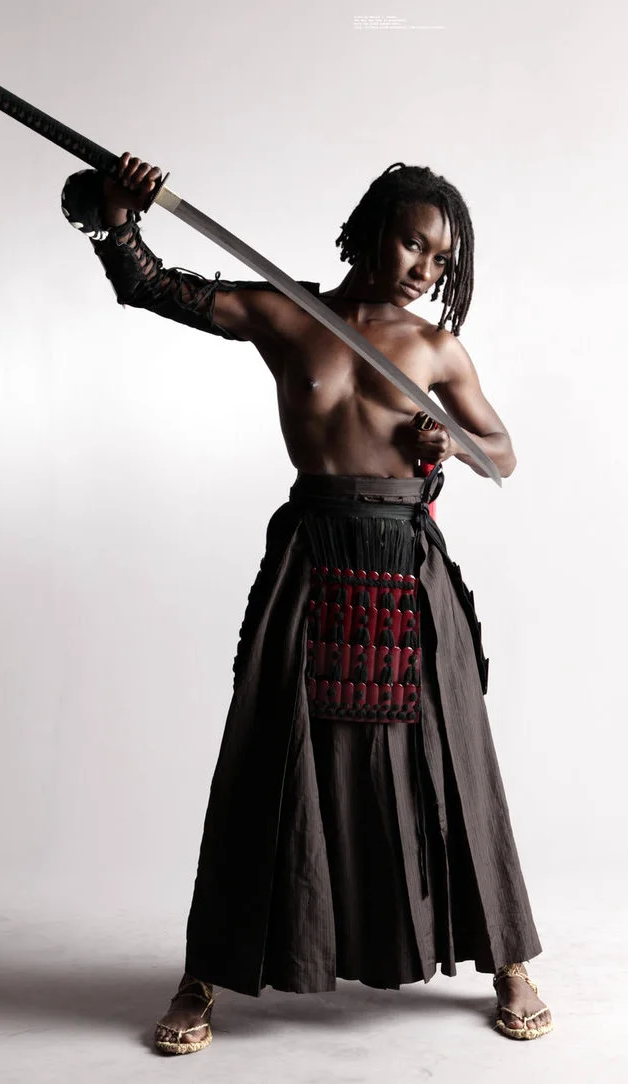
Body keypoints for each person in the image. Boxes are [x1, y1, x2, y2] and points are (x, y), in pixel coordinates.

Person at [60, 154, 553, 1052]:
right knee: (264, 752)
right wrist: (118, 215)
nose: (424, 268)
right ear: (370, 230)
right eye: (413, 243)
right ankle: (203, 974)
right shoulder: (287, 315)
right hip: (312, 553)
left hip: (406, 562)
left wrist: (452, 442)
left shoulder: (437, 350)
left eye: (441, 260)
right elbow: (150, 287)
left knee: (453, 757)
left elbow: (504, 455)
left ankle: (508, 962)